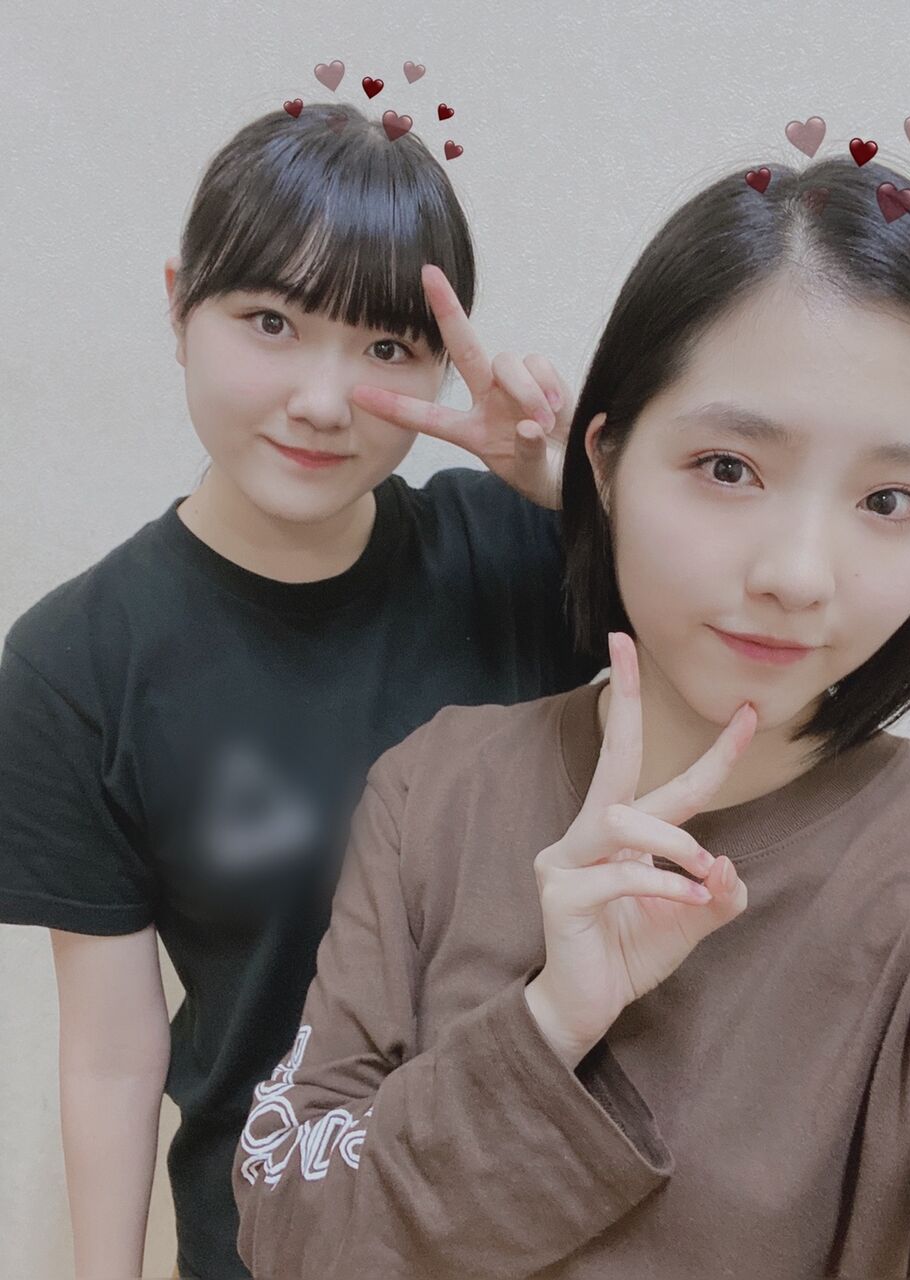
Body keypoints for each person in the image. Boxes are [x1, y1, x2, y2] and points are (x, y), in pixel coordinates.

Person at [232, 152, 910, 1279]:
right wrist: (548, 1022)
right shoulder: (437, 787)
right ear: (605, 461)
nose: (798, 573)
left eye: (890, 498)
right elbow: (289, 1233)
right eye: (728, 467)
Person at [0, 101, 601, 1280]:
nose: (324, 401)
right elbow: (113, 1055)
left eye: (387, 348)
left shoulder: (518, 554)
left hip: (549, 1225)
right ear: (179, 306)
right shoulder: (76, 662)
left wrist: (569, 490)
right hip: (273, 1239)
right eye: (271, 322)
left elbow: (766, 647)